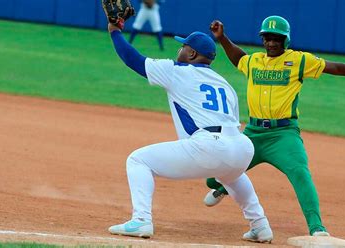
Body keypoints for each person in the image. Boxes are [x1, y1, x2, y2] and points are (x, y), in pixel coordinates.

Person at [203, 16, 345, 237]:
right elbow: (239, 58)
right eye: (267, 38)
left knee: (300, 174)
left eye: (276, 39)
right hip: (252, 134)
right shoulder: (254, 61)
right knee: (212, 176)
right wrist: (222, 38)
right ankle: (222, 187)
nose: (271, 43)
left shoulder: (298, 60)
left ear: (285, 40)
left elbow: (334, 67)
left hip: (283, 135)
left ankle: (317, 228)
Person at [105, 7, 274, 243]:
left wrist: (115, 32)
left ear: (192, 54)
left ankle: (141, 220)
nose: (180, 49)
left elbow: (133, 59)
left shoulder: (177, 71)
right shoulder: (223, 83)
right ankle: (260, 225)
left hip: (209, 146)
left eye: (184, 46)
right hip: (241, 147)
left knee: (138, 160)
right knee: (231, 174)